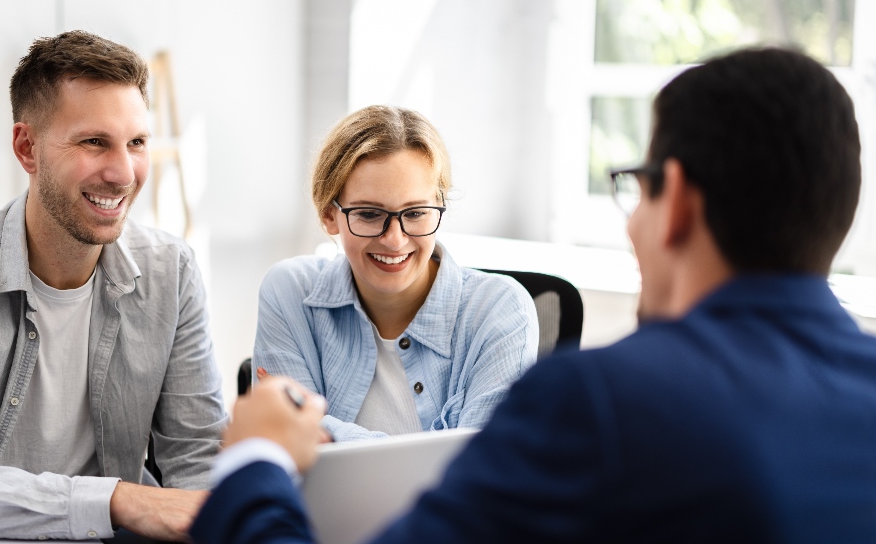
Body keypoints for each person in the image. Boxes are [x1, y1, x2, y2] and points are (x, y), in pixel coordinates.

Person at [190, 46, 876, 543]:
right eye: (370, 213)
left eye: (636, 188)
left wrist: (255, 460)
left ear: (677, 205)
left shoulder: (597, 404)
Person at [0, 31, 227, 542]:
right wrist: (116, 500)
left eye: (137, 142)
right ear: (27, 148)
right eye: (94, 142)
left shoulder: (172, 271)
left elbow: (198, 461)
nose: (123, 173)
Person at [253, 105, 538, 441]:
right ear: (330, 215)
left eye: (415, 213)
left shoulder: (500, 309)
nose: (394, 240)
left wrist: (325, 429)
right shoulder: (290, 292)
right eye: (369, 214)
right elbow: (288, 451)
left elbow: (484, 465)